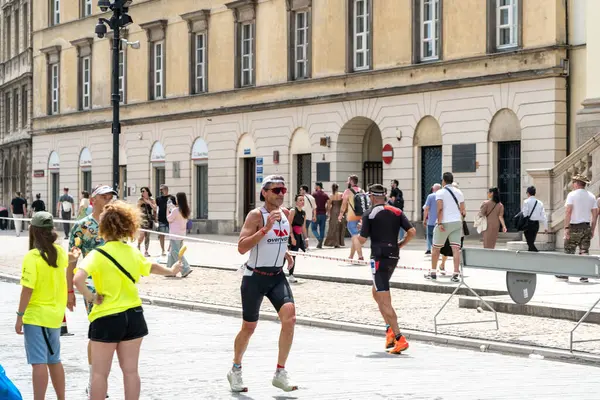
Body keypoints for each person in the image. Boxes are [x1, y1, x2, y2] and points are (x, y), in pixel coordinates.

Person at [73, 201, 182, 400]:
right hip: (134, 315)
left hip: (106, 317)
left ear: (103, 227)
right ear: (129, 226)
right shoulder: (132, 252)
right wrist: (172, 270)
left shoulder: (98, 254)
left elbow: (77, 279)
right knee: (131, 371)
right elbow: (151, 267)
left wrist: (91, 297)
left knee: (100, 373)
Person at [228, 175, 297, 393]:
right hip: (254, 277)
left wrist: (284, 252)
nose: (280, 194)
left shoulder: (286, 214)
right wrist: (265, 228)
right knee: (249, 327)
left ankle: (280, 372)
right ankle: (236, 369)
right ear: (264, 192)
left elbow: (277, 239)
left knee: (290, 318)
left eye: (283, 190)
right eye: (276, 190)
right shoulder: (256, 215)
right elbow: (241, 247)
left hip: (277, 276)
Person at [15, 212, 78, 400]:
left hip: (36, 316)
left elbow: (27, 290)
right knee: (54, 360)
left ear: (33, 231)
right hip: (55, 316)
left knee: (38, 363)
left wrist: (19, 316)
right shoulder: (58, 252)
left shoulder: (32, 257)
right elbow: (72, 258)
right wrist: (76, 252)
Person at [68, 185, 117, 399]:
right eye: (104, 196)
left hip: (115, 286)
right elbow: (72, 260)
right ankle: (93, 381)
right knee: (98, 332)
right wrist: (69, 289)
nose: (108, 199)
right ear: (93, 200)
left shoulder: (117, 225)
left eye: (111, 196)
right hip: (91, 286)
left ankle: (100, 380)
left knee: (112, 335)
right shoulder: (82, 226)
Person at [358, 184, 416, 354]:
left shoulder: (369, 213)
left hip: (378, 257)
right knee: (376, 293)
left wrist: (355, 234)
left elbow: (361, 240)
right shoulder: (396, 211)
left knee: (384, 298)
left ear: (372, 197)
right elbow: (411, 231)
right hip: (393, 256)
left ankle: (399, 337)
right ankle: (389, 330)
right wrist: (401, 244)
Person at [427, 172, 465, 283]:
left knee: (436, 248)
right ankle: (456, 274)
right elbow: (463, 210)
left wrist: (439, 223)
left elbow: (440, 208)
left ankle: (433, 272)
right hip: (457, 222)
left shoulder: (440, 192)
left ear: (443, 180)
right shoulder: (459, 192)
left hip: (444, 222)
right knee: (456, 248)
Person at [561, 174, 598, 282]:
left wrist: (566, 228)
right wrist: (592, 229)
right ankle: (584, 275)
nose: (572, 184)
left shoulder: (572, 195)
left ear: (577, 183)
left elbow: (568, 212)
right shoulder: (591, 196)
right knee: (584, 251)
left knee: (569, 251)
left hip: (574, 227)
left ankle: (565, 274)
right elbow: (595, 215)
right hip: (586, 227)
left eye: (573, 182)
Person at [338, 175, 364, 263]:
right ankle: (351, 256)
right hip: (361, 216)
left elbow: (344, 204)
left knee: (355, 236)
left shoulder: (347, 191)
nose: (347, 182)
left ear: (351, 182)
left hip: (352, 216)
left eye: (348, 181)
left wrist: (340, 215)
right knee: (354, 236)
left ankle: (360, 256)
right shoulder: (362, 190)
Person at [166, 192, 192, 278]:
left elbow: (169, 219)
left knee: (176, 253)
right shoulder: (186, 210)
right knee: (172, 253)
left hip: (175, 235)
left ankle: (186, 268)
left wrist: (168, 209)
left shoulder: (175, 210)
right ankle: (169, 271)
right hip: (181, 234)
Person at [288, 194, 308, 283]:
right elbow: (289, 224)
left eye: (303, 200)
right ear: (296, 201)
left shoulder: (303, 213)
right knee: (286, 256)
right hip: (291, 235)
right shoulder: (293, 211)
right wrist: (292, 237)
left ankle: (291, 274)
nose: (302, 202)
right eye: (300, 200)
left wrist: (306, 238)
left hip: (298, 235)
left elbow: (303, 227)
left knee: (294, 255)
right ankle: (282, 273)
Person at [521, 186, 548, 252]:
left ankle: (536, 253)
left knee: (529, 242)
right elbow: (543, 215)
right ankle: (531, 254)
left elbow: (524, 214)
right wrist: (545, 227)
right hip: (536, 224)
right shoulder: (540, 203)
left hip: (528, 224)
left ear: (528, 193)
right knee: (531, 241)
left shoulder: (526, 202)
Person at [156, 185, 176, 257]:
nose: (161, 191)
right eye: (160, 190)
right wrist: (156, 218)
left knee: (172, 234)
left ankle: (170, 248)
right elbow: (157, 208)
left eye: (162, 189)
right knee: (161, 235)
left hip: (170, 219)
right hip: (161, 219)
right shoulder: (158, 198)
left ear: (166, 190)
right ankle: (162, 250)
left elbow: (174, 208)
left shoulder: (172, 198)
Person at [137, 187, 156, 257]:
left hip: (149, 219)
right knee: (141, 235)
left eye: (143, 191)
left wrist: (149, 203)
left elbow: (155, 208)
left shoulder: (152, 200)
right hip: (142, 219)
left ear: (147, 192)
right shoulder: (140, 200)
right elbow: (137, 208)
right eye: (141, 191)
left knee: (147, 236)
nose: (142, 193)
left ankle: (146, 251)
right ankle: (138, 245)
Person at [422, 183, 441, 255]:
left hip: (431, 222)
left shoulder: (430, 196)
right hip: (441, 222)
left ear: (433, 189)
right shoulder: (443, 197)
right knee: (439, 237)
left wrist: (424, 220)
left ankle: (434, 249)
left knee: (430, 236)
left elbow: (426, 209)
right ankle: (438, 250)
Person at [324, 183, 345, 248]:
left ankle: (333, 242)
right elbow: (344, 203)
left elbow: (328, 205)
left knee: (333, 227)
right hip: (340, 210)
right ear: (337, 188)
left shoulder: (331, 195)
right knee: (340, 226)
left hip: (333, 211)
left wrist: (328, 213)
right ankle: (338, 242)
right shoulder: (341, 194)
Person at [311, 182, 329, 249]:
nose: (314, 187)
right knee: (322, 229)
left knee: (313, 228)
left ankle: (319, 240)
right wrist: (327, 212)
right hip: (323, 214)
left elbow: (312, 205)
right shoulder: (325, 195)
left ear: (318, 186)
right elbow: (328, 204)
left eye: (315, 186)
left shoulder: (314, 194)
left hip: (316, 213)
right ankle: (320, 242)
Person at [299, 185, 315, 249]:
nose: (299, 191)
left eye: (301, 190)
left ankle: (305, 244)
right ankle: (305, 244)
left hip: (303, 216)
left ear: (304, 190)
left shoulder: (301, 198)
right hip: (309, 217)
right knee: (305, 230)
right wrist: (314, 216)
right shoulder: (311, 197)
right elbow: (314, 208)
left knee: (303, 230)